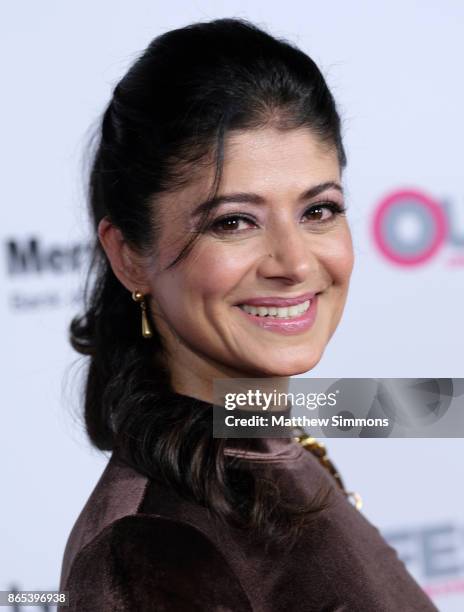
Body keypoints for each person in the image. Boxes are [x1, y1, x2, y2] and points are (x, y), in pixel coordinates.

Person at [58, 17, 438, 611]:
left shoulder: (267, 444)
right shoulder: (151, 550)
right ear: (130, 256)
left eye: (318, 210)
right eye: (234, 221)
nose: (293, 262)